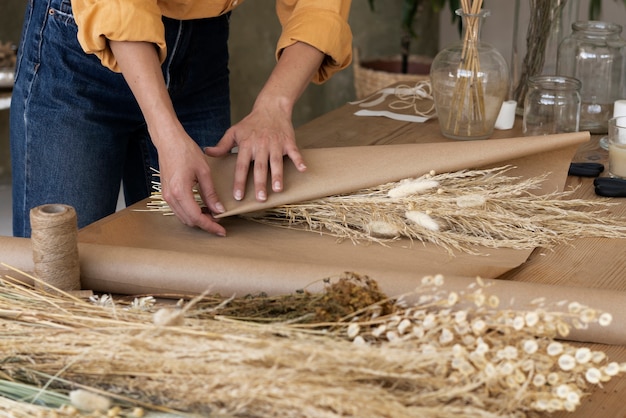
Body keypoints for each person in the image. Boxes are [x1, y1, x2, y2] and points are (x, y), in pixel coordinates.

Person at [10, 0, 352, 238]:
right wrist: (166, 132)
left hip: (200, 54)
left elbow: (320, 6)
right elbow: (120, 7)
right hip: (81, 53)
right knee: (63, 273)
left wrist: (275, 105)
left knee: (195, 277)